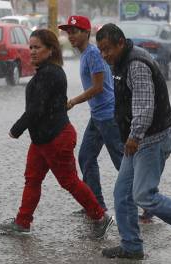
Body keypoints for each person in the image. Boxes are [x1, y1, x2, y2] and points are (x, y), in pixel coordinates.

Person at [95, 23, 171, 259]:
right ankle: (132, 247)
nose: (105, 55)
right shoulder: (120, 61)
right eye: (101, 51)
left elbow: (145, 107)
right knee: (122, 194)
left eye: (108, 49)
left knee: (143, 195)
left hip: (151, 138)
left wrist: (134, 136)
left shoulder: (136, 64)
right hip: (138, 138)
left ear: (120, 43)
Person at [0, 29, 114, 239]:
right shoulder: (45, 72)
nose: (32, 51)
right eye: (31, 47)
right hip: (42, 139)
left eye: (37, 47)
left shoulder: (51, 73)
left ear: (50, 50)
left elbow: (37, 109)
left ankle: (100, 217)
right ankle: (22, 222)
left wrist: (16, 129)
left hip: (56, 138)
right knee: (32, 179)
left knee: (69, 181)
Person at [58, 16, 123, 213]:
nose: (71, 36)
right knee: (86, 157)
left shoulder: (93, 54)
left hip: (108, 116)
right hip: (98, 116)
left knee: (122, 163)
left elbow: (98, 88)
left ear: (87, 33)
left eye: (75, 31)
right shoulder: (86, 54)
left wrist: (73, 102)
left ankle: (147, 202)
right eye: (68, 32)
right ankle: (95, 206)